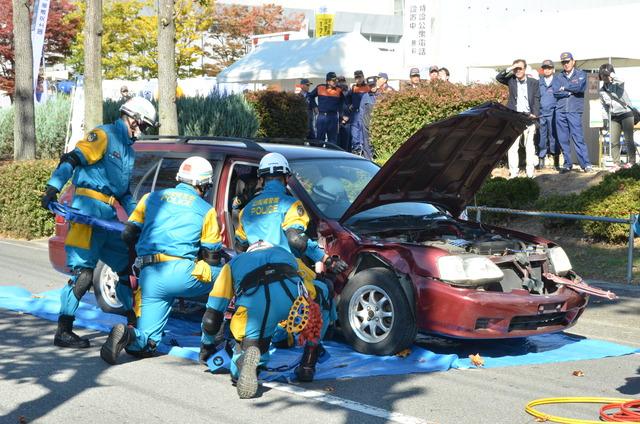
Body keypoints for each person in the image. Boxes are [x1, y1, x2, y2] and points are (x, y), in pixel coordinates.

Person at [207, 153, 346, 382]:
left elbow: (242, 247)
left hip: (253, 274)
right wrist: (325, 258)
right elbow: (296, 240)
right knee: (323, 293)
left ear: (261, 179)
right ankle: (308, 363)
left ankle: (247, 356)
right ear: (286, 178)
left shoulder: (247, 210)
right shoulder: (291, 204)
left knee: (254, 329)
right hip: (289, 271)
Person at [41, 97, 158, 349]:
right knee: (83, 274)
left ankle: (132, 327)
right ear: (132, 118)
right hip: (85, 211)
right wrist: (53, 187)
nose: (143, 131)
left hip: (107, 216)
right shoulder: (103, 134)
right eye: (144, 125)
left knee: (126, 267)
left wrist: (140, 219)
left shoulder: (128, 151)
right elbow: (72, 159)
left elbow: (124, 193)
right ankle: (63, 330)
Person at [100, 156, 224, 365]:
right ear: (204, 185)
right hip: (182, 273)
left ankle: (128, 336)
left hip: (150, 275)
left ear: (179, 178)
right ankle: (211, 341)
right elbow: (212, 257)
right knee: (228, 276)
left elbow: (128, 234)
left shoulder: (150, 197)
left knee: (147, 342)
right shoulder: (206, 210)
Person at [201, 243, 304, 398]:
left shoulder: (235, 263)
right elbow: (312, 282)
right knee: (276, 321)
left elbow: (212, 316)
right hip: (293, 303)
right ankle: (305, 359)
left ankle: (245, 364)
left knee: (252, 337)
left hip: (256, 304)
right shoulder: (286, 254)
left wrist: (207, 346)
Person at [496, 58, 540, 178]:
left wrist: (535, 114)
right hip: (514, 117)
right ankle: (513, 173)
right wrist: (511, 68)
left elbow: (536, 99)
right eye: (516, 69)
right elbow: (499, 77)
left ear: (525, 69)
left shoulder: (533, 82)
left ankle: (530, 173)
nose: (518, 71)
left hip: (528, 117)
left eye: (520, 68)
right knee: (512, 146)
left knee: (529, 146)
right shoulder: (511, 80)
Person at [553, 52, 594, 173]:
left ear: (573, 61)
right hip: (560, 111)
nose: (566, 64)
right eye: (563, 62)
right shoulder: (558, 77)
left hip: (574, 111)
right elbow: (556, 92)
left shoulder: (581, 74)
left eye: (568, 61)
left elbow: (580, 88)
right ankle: (567, 164)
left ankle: (586, 164)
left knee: (578, 138)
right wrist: (569, 90)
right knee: (563, 139)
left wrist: (564, 88)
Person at [598, 63, 636, 170]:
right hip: (614, 116)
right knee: (614, 140)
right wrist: (605, 120)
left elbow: (622, 80)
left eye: (606, 74)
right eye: (602, 75)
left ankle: (632, 162)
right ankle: (616, 163)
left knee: (629, 139)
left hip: (626, 114)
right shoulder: (601, 91)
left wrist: (612, 75)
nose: (604, 77)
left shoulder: (618, 84)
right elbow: (604, 107)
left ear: (611, 74)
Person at [308, 72, 345, 144]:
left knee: (332, 141)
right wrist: (315, 106)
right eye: (333, 80)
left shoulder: (339, 90)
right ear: (328, 81)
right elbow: (310, 96)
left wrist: (341, 114)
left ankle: (331, 155)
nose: (335, 82)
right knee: (320, 140)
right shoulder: (320, 87)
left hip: (333, 117)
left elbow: (343, 102)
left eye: (336, 80)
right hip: (322, 116)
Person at [538, 60, 560, 170]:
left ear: (553, 69)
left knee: (554, 137)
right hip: (541, 114)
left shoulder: (558, 81)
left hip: (553, 113)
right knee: (542, 137)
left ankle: (556, 160)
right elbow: (536, 98)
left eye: (549, 68)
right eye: (545, 68)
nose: (546, 70)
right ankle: (541, 159)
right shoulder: (539, 82)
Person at [352, 76, 381, 159]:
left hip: (378, 125)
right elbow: (361, 111)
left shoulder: (382, 95)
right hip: (366, 125)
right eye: (370, 86)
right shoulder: (365, 96)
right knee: (367, 145)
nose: (372, 87)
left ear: (376, 84)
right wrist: (362, 125)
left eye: (374, 85)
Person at [347, 70, 370, 152]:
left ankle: (363, 149)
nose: (358, 79)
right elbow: (347, 98)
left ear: (363, 77)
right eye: (356, 78)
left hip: (364, 113)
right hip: (355, 113)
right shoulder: (353, 88)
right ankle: (356, 149)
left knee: (363, 132)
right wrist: (349, 104)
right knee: (355, 133)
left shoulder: (368, 87)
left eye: (360, 77)